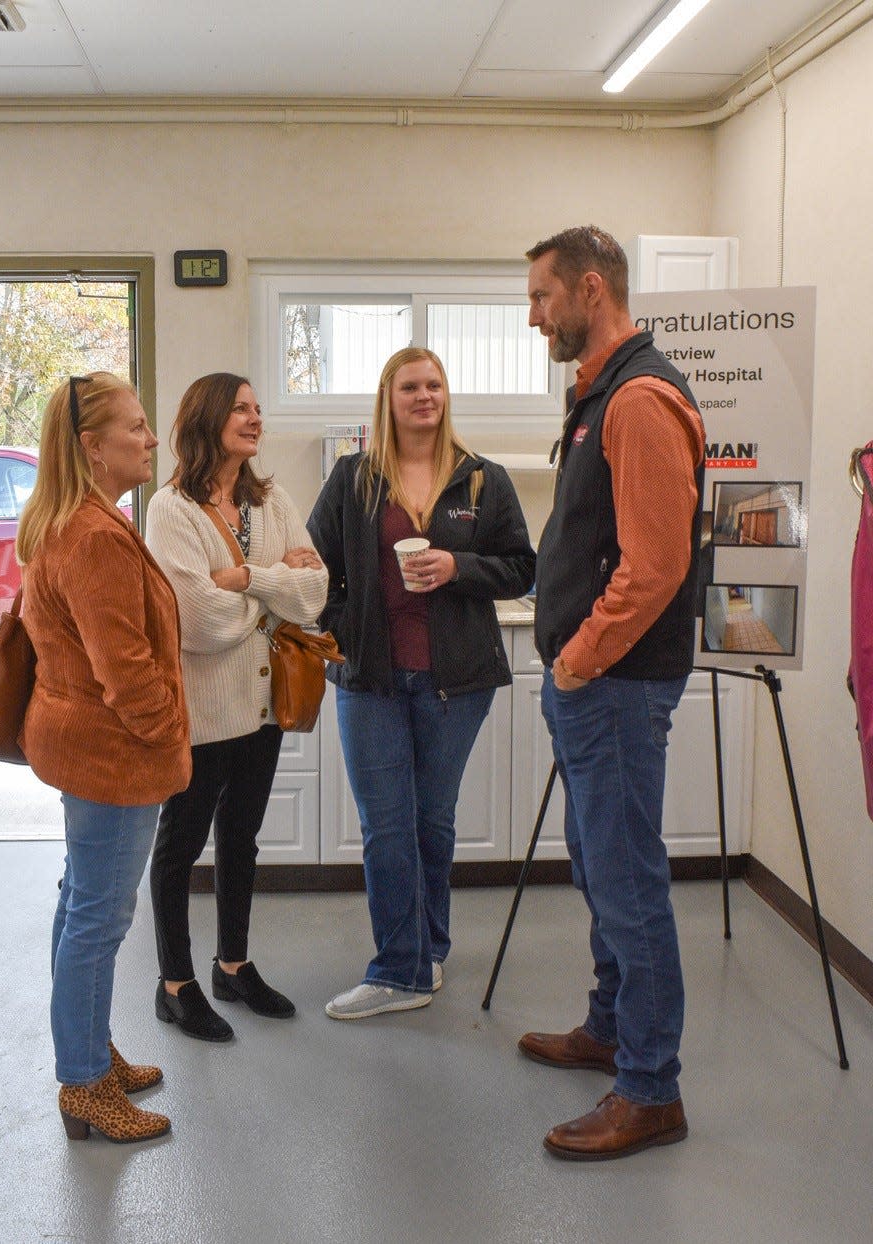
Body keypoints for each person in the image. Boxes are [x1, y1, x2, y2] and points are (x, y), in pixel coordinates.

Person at [520, 225, 705, 1160]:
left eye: (543, 297)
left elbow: (656, 565)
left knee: (627, 879)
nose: (533, 314)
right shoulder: (597, 393)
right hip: (592, 685)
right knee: (598, 862)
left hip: (618, 686)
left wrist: (581, 656)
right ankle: (609, 1029)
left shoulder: (638, 399)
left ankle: (650, 1088)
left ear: (592, 289)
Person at [308, 347, 535, 1020]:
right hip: (370, 678)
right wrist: (340, 625)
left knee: (432, 822)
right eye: (410, 386)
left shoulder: (480, 481)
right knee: (387, 825)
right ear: (389, 396)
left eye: (434, 384)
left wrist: (457, 567)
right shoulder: (353, 478)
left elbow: (523, 568)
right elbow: (316, 568)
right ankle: (399, 969)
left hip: (457, 680)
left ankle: (426, 948)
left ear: (446, 394)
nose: (424, 395)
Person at [17, 372, 191, 1144]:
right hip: (113, 758)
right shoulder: (91, 536)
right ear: (93, 446)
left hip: (80, 747)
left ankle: (88, 1052)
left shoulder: (71, 520)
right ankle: (84, 1083)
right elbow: (126, 674)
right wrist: (166, 737)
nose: (151, 440)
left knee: (79, 902)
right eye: (138, 427)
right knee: (97, 917)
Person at [145, 372, 327, 1041]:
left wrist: (250, 578)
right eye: (242, 408)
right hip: (203, 708)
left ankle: (232, 965)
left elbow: (315, 593)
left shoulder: (269, 499)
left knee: (241, 839)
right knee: (180, 845)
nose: (256, 417)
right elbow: (198, 621)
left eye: (259, 408)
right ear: (209, 417)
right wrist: (276, 593)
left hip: (262, 707)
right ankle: (176, 983)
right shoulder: (171, 510)